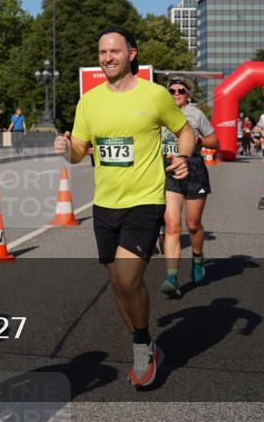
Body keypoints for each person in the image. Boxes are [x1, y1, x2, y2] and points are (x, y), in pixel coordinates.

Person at [54, 26, 195, 388]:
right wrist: (66, 147)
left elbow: (184, 131)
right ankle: (146, 341)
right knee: (118, 283)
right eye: (102, 52)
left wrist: (183, 157)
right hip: (105, 205)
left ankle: (140, 344)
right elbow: (78, 152)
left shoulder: (155, 95)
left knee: (131, 277)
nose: (107, 58)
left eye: (114, 51)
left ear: (132, 54)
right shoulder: (89, 101)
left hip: (145, 201)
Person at [159, 77, 219, 299]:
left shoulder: (196, 114)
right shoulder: (160, 113)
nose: (176, 94)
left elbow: (215, 142)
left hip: (193, 169)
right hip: (170, 171)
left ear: (188, 94)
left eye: (180, 91)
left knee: (192, 225)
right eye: (172, 91)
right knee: (172, 225)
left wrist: (199, 141)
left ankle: (197, 257)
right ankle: (172, 277)